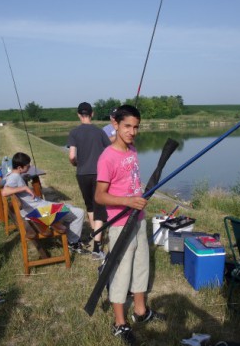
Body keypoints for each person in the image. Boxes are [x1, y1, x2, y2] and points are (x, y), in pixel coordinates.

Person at [95, 105, 165, 345]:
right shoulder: (107, 157)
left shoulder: (132, 151)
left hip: (138, 220)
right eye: (127, 126)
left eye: (136, 127)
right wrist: (127, 201)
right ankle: (119, 323)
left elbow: (132, 181)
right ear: (115, 124)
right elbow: (99, 196)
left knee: (141, 266)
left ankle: (140, 312)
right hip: (120, 225)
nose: (132, 132)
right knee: (121, 272)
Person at [1, 152, 89, 254]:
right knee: (79, 213)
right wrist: (24, 187)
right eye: (28, 166)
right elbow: (4, 191)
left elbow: (1, 183)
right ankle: (73, 243)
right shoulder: (14, 177)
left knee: (69, 207)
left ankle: (72, 240)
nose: (30, 167)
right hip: (39, 213)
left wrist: (23, 180)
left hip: (37, 209)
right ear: (20, 168)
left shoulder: (11, 174)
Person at [68, 102, 111, 260]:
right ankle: (97, 248)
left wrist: (76, 164)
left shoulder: (74, 133)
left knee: (90, 206)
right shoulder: (99, 132)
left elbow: (72, 156)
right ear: (92, 114)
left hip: (82, 174)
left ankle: (96, 235)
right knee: (100, 207)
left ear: (79, 115)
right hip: (99, 174)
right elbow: (110, 151)